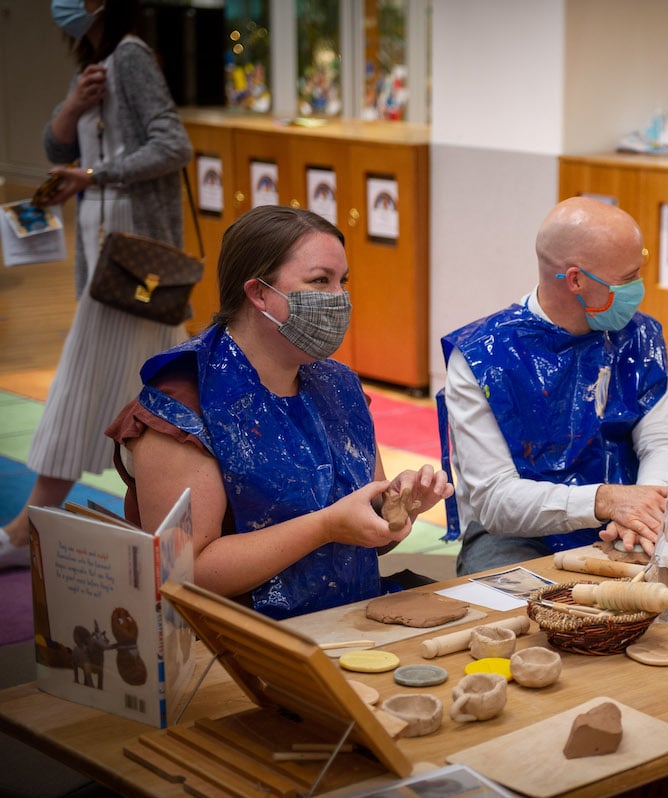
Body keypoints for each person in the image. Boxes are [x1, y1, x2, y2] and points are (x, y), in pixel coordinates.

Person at [104, 206, 453, 619]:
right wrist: (326, 527)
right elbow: (183, 573)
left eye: (343, 282)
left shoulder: (338, 385)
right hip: (234, 638)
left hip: (348, 617)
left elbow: (371, 533)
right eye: (320, 281)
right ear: (259, 292)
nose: (339, 299)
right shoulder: (183, 403)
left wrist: (399, 507)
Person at [0, 0, 192, 570]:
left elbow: (172, 143)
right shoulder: (99, 62)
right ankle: (177, 533)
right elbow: (61, 149)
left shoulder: (129, 55)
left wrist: (94, 174)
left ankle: (23, 532)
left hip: (131, 256)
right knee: (167, 389)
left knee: (88, 386)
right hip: (114, 255)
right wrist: (71, 109)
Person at [440, 197, 668, 575]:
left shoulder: (638, 336)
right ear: (575, 280)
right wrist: (606, 501)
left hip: (627, 513)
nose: (638, 288)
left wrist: (644, 507)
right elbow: (495, 499)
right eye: (627, 279)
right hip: (518, 534)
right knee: (523, 613)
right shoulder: (482, 358)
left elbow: (664, 439)